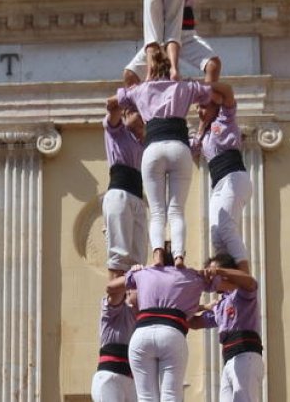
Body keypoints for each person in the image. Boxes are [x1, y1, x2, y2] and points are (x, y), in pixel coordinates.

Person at [115, 50, 226, 267]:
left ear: (150, 67)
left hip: (153, 148)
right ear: (173, 65)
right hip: (179, 148)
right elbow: (213, 92)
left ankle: (157, 255)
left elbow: (123, 85)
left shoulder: (141, 90)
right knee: (177, 210)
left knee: (157, 211)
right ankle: (178, 256)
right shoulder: (185, 86)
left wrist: (145, 67)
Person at [107, 250, 214, 401]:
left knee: (145, 397)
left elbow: (111, 287)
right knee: (171, 395)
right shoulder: (191, 276)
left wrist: (133, 273)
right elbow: (224, 283)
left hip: (142, 334)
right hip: (171, 333)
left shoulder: (144, 273)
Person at [192, 82, 251, 275]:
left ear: (214, 104)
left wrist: (206, 86)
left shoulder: (225, 119)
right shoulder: (205, 133)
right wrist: (201, 125)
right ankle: (227, 280)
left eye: (203, 106)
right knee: (216, 235)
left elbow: (228, 91)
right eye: (197, 107)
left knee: (226, 227)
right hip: (218, 183)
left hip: (234, 176)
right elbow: (193, 150)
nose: (199, 111)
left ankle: (244, 276)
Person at [197, 253, 263, 402]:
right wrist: (202, 306)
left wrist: (219, 272)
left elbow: (249, 281)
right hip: (229, 360)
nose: (211, 280)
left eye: (213, 273)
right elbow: (195, 322)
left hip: (245, 355)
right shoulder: (220, 304)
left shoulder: (242, 293)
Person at [103, 97, 149, 279]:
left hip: (137, 197)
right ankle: (115, 304)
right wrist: (129, 95)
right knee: (119, 256)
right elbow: (112, 108)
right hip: (120, 193)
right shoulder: (116, 131)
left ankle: (135, 304)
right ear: (126, 113)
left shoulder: (144, 143)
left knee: (138, 261)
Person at [91, 282, 139, 402]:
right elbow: (113, 290)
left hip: (131, 382)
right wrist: (132, 275)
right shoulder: (113, 309)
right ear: (127, 291)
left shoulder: (144, 317)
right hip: (110, 378)